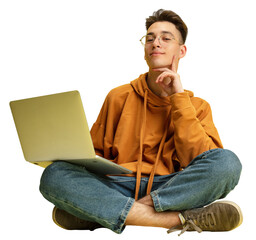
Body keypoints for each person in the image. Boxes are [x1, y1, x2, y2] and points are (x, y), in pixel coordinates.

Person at [39, 9, 243, 236]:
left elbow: (202, 161)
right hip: (117, 184)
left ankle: (100, 212)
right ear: (145, 50)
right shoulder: (119, 96)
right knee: (54, 174)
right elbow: (94, 154)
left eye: (166, 38)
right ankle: (177, 219)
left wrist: (178, 98)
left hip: (171, 189)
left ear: (182, 50)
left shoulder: (197, 106)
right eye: (149, 38)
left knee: (228, 163)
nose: (156, 43)